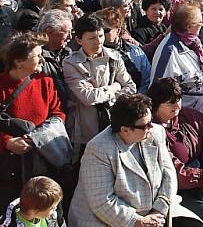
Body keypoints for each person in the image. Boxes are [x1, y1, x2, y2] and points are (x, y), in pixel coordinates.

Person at [68, 94, 176, 227]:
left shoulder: (156, 133)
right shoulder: (98, 149)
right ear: (124, 130)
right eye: (145, 125)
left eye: (150, 121)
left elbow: (169, 174)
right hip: (104, 221)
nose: (151, 127)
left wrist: (159, 210)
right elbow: (102, 202)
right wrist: (138, 222)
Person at [147, 78, 203, 227]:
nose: (177, 106)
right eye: (170, 103)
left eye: (179, 100)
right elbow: (171, 169)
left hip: (202, 175)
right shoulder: (152, 131)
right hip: (176, 186)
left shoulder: (190, 117)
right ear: (156, 105)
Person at [0, 35, 69, 216]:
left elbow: (58, 114)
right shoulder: (1, 86)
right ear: (19, 61)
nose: (43, 59)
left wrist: (35, 138)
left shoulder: (45, 82)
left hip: (41, 164)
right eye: (37, 55)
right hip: (8, 172)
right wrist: (7, 142)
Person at [62, 15, 136, 152]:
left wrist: (107, 94)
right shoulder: (71, 63)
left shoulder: (114, 57)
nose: (98, 42)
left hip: (114, 123)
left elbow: (130, 88)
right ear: (79, 40)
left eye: (101, 36)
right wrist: (115, 86)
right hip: (86, 130)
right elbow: (88, 97)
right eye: (91, 38)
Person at [151, 2, 203, 111]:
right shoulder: (170, 51)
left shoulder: (194, 42)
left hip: (202, 113)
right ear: (188, 26)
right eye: (200, 22)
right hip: (184, 117)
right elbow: (159, 92)